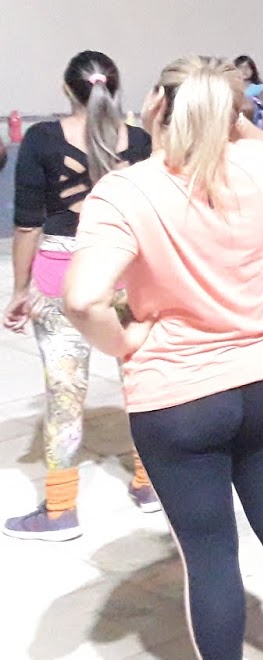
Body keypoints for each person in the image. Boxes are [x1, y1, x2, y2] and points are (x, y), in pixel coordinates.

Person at [63, 55, 263, 660]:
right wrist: (230, 116)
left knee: (211, 552)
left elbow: (82, 299)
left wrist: (123, 342)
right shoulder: (262, 168)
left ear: (157, 105)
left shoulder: (126, 191)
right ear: (230, 110)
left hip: (179, 393)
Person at [4, 51, 156, 541]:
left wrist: (19, 290)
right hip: (126, 275)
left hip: (61, 280)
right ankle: (150, 485)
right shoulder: (140, 141)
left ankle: (60, 510)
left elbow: (28, 225)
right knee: (142, 381)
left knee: (64, 394)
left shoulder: (43, 139)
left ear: (66, 88)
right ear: (115, 87)